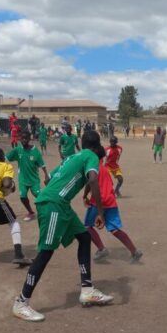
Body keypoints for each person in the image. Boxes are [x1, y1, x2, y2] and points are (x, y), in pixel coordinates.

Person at [11, 131, 114, 322]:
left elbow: (48, 179)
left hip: (61, 204)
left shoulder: (72, 157)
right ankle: (21, 302)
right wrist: (100, 213)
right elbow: (93, 179)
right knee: (46, 251)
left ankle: (87, 289)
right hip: (54, 204)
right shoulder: (90, 156)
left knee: (84, 237)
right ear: (96, 145)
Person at [84, 153, 143, 263]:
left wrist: (85, 195)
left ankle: (101, 249)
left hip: (98, 202)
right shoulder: (105, 169)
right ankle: (134, 251)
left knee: (87, 226)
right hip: (110, 201)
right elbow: (109, 184)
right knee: (114, 229)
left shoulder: (92, 168)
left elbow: (90, 182)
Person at [6, 130, 49, 222]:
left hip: (34, 179)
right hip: (22, 179)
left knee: (38, 195)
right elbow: (6, 158)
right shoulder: (18, 150)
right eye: (22, 138)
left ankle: (48, 209)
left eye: (26, 138)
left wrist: (46, 175)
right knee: (23, 196)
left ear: (29, 139)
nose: (24, 140)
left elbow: (42, 164)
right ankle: (31, 212)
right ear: (20, 139)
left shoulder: (35, 151)